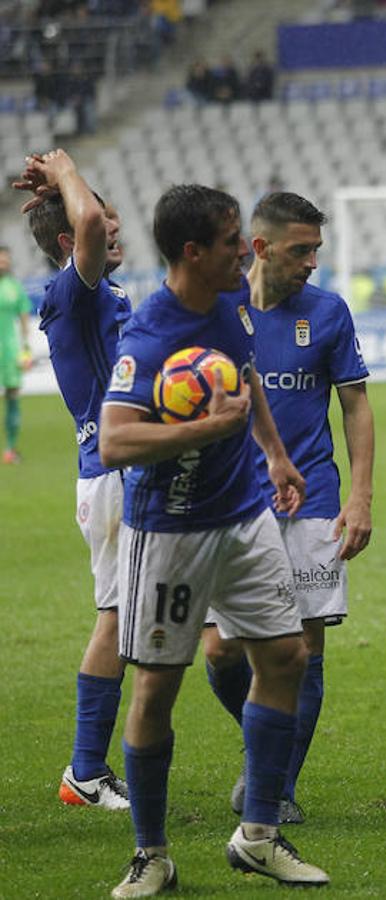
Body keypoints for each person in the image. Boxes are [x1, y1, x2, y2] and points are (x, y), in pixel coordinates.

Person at [99, 183, 327, 896]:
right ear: (194, 251)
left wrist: (274, 453)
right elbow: (114, 441)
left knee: (286, 654)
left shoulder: (231, 306)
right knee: (156, 691)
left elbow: (247, 377)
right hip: (169, 531)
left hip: (245, 513)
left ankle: (258, 835)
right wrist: (207, 430)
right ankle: (152, 854)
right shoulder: (150, 334)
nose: (244, 251)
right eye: (232, 242)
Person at [202, 190, 374, 825]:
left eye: (316, 251)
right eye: (300, 251)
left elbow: (355, 403)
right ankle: (264, 745)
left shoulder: (328, 313)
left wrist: (359, 496)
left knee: (302, 653)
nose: (312, 263)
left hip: (315, 504)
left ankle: (274, 788)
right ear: (260, 248)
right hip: (232, 503)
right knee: (219, 651)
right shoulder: (217, 313)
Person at [15, 150, 131, 809]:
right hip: (111, 477)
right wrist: (64, 170)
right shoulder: (72, 288)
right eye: (104, 226)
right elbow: (86, 225)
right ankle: (85, 771)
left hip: (126, 474)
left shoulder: (104, 292)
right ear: (72, 239)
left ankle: (92, 769)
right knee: (116, 619)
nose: (114, 232)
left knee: (130, 618)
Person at [0, 245, 32, 464]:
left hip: (10, 350)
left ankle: (10, 449)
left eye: (5, 260)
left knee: (12, 396)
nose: (3, 263)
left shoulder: (14, 287)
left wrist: (26, 349)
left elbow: (23, 318)